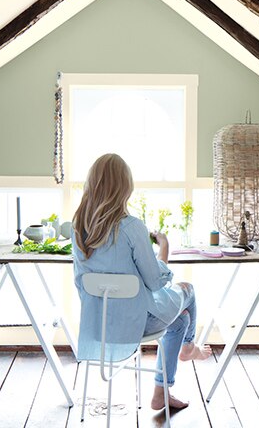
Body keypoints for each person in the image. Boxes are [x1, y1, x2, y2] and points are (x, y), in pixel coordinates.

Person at [72, 153, 212, 411]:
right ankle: (188, 348)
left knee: (180, 320)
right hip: (134, 324)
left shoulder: (78, 227)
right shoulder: (131, 227)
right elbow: (156, 282)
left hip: (98, 323)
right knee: (188, 291)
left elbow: (81, 283)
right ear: (125, 187)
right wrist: (164, 247)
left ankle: (163, 388)